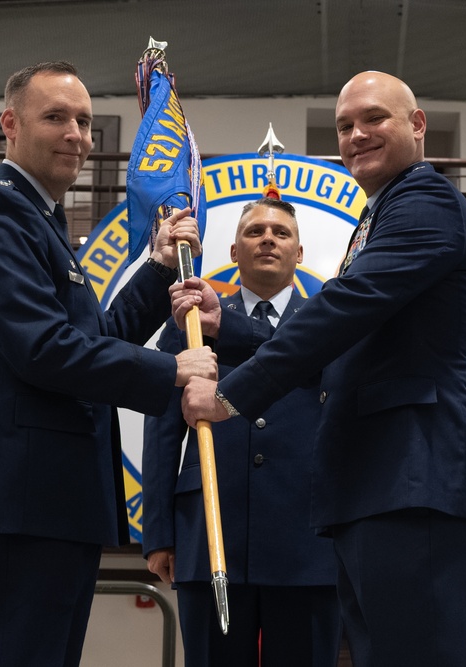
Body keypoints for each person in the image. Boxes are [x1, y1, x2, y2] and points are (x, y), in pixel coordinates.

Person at [177, 71, 466, 666]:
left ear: (418, 125)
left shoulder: (425, 202)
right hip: (376, 484)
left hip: (413, 478)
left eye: (374, 118)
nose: (356, 134)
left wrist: (232, 395)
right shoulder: (378, 216)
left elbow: (341, 310)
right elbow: (336, 350)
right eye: (345, 126)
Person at [0, 61, 216, 667]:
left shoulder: (43, 222)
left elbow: (95, 335)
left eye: (86, 122)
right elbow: (43, 350)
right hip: (22, 498)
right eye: (57, 117)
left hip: (54, 498)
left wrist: (160, 267)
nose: (77, 135)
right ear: (11, 124)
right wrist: (170, 372)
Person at [143, 198, 341, 667]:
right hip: (210, 532)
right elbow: (163, 430)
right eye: (255, 232)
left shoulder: (329, 323)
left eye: (281, 233)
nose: (268, 239)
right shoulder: (191, 319)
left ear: (299, 253)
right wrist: (159, 534)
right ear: (233, 251)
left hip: (307, 541)